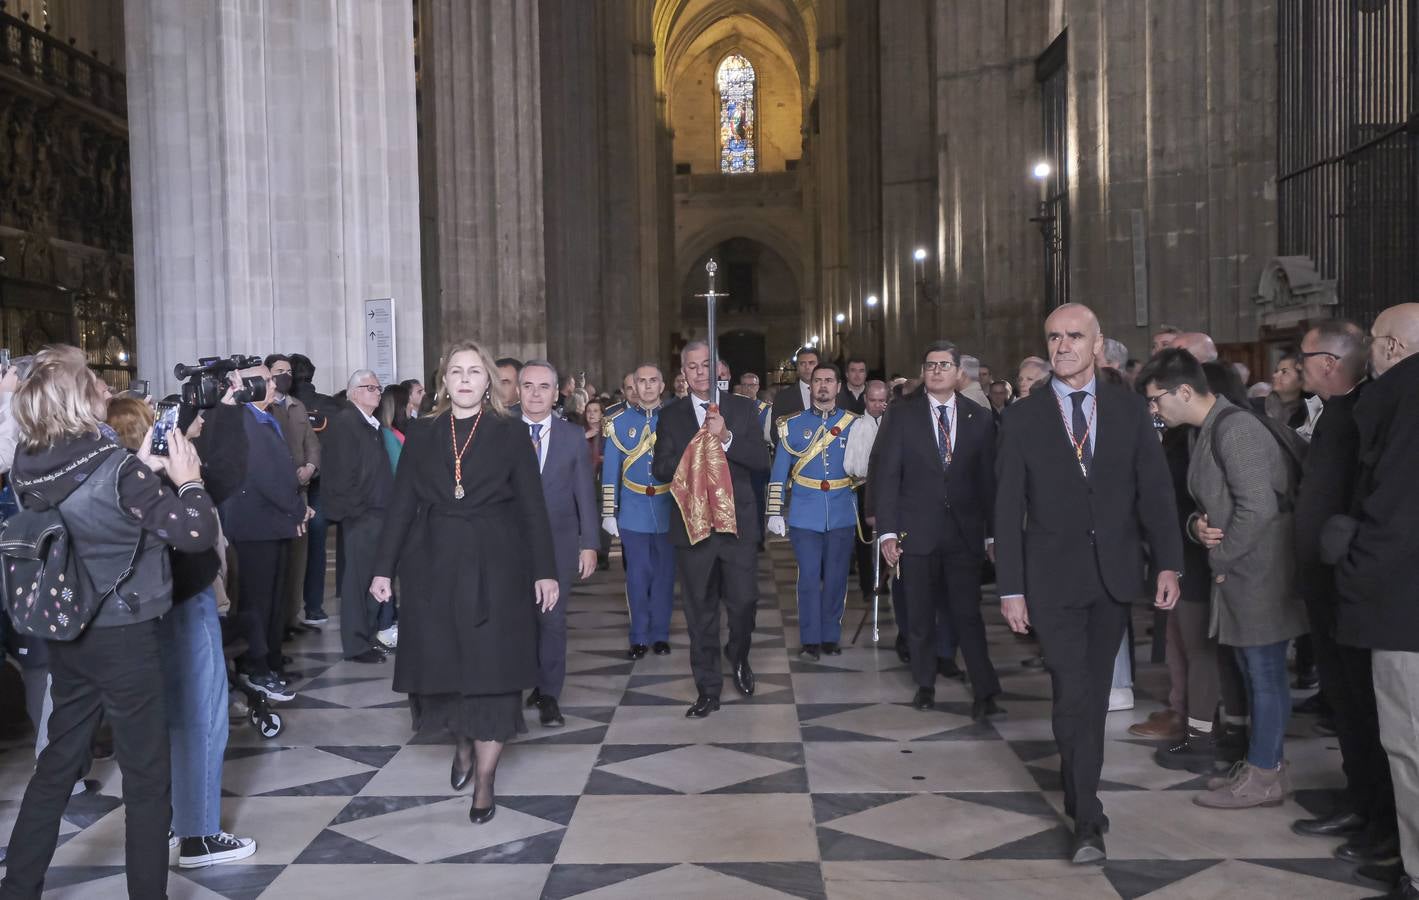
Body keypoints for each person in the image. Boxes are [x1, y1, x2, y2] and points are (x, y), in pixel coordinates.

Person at [2, 346, 220, 899]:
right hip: (125, 633)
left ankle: (20, 886)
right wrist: (187, 482)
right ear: (77, 399)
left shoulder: (28, 464)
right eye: (93, 381)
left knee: (56, 764)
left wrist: (140, 471)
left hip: (69, 627)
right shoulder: (114, 467)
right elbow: (192, 533)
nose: (105, 387)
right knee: (147, 780)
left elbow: (86, 508)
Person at [994, 304, 1182, 864]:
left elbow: (1156, 493)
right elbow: (1006, 509)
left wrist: (1168, 562)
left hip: (1113, 576)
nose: (1063, 346)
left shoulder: (1128, 411)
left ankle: (1084, 803)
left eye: (1075, 336)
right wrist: (1010, 588)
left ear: (1098, 345)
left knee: (1091, 695)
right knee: (1071, 690)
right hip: (1050, 579)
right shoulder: (1024, 418)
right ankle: (1085, 814)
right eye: (1054, 337)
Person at [369, 340, 558, 825]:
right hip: (433, 564)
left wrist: (544, 570)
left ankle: (485, 783)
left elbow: (532, 507)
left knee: (494, 674)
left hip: (498, 567)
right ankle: (461, 741)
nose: (466, 379)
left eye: (475, 371)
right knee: (449, 668)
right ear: (444, 380)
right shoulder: (424, 431)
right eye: (457, 371)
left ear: (488, 380)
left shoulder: (510, 431)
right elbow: (401, 505)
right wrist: (382, 568)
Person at [1140, 348, 1306, 809]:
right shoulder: (1209, 428)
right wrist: (1196, 526)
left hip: (1259, 574)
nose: (1154, 410)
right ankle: (1260, 764)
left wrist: (1221, 559)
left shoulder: (1236, 429)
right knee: (1255, 674)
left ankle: (1266, 774)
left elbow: (1258, 508)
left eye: (1157, 400)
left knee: (1266, 676)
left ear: (1185, 391)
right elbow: (1212, 504)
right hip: (1243, 571)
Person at [1288, 321, 1398, 864]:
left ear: (1329, 362)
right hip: (1322, 582)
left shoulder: (1366, 412)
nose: (1299, 365)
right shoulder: (1335, 412)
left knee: (1363, 706)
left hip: (1347, 584)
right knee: (1345, 702)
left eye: (1303, 357)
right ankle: (1361, 802)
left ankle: (1382, 817)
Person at [1333, 303, 1419, 899]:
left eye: (1373, 343)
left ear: (1390, 349)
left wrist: (1352, 566)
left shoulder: (1404, 401)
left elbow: (1393, 511)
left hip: (1405, 609)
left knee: (1409, 744)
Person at [874, 341, 1001, 717]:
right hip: (917, 531)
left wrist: (993, 534)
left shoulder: (979, 417)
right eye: (930, 365)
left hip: (963, 532)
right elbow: (887, 476)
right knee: (919, 614)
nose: (936, 371)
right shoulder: (902, 415)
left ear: (958, 372)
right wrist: (888, 532)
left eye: (944, 365)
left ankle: (985, 689)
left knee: (967, 613)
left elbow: (988, 483)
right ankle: (925, 683)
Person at [651, 341, 770, 717]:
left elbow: (760, 462)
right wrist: (698, 445)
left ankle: (738, 654)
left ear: (718, 368)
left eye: (706, 365)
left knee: (744, 602)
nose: (700, 372)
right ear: (683, 373)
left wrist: (725, 438)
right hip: (694, 527)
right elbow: (660, 468)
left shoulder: (743, 408)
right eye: (692, 367)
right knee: (699, 610)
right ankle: (708, 688)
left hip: (738, 525)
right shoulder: (671, 416)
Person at [220, 363, 309, 703]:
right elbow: (264, 476)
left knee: (274, 599)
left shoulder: (265, 417)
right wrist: (296, 507)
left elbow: (281, 469)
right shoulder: (244, 420)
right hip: (254, 525)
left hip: (273, 522)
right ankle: (256, 666)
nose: (274, 384)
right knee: (258, 602)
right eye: (268, 380)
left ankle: (271, 659)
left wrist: (295, 507)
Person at [518, 360, 598, 728]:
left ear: (556, 393)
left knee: (552, 619)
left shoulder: (571, 436)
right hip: (511, 544)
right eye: (528, 386)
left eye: (543, 387)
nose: (535, 394)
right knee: (518, 619)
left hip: (559, 542)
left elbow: (585, 492)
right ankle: (518, 683)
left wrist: (590, 544)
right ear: (518, 390)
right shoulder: (502, 433)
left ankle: (549, 694)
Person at [767, 364, 859, 658]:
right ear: (811, 386)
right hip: (805, 513)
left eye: (829, 381)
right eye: (818, 381)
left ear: (838, 387)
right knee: (807, 577)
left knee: (836, 577)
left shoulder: (854, 424)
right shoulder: (790, 424)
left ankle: (830, 635)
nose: (823, 386)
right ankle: (810, 638)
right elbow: (779, 471)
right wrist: (774, 511)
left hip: (842, 510)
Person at [602, 365, 675, 659]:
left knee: (665, 576)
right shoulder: (618, 422)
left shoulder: (676, 419)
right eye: (641, 381)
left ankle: (661, 634)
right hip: (633, 509)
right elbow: (610, 471)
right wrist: (609, 512)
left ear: (662, 385)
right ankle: (639, 636)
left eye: (652, 381)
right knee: (637, 576)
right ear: (633, 385)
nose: (646, 386)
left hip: (668, 506)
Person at [323, 369, 394, 663]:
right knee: (358, 580)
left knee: (373, 578)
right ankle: (355, 643)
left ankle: (368, 634)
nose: (377, 393)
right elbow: (341, 473)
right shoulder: (346, 423)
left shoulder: (370, 424)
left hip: (377, 511)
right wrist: (357, 509)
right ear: (353, 393)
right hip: (362, 515)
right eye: (370, 388)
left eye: (378, 388)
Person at [265, 355, 321, 637]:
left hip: (301, 492)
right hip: (276, 494)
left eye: (288, 371)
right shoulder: (266, 408)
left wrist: (310, 467)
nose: (285, 376)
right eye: (279, 371)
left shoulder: (298, 406)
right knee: (279, 562)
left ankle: (292, 616)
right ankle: (277, 623)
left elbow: (312, 443)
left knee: (299, 559)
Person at [287, 353, 337, 628]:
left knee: (294, 551)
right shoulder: (331, 405)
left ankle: (290, 612)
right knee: (316, 549)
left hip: (295, 483)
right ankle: (314, 607)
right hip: (322, 484)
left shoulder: (288, 406)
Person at [844, 380, 890, 612]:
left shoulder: (893, 424)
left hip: (889, 487)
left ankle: (883, 580)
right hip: (863, 486)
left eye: (882, 401)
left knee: (888, 534)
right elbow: (851, 461)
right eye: (873, 400)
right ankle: (865, 585)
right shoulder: (856, 425)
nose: (877, 405)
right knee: (864, 538)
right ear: (865, 400)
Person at [771, 346, 819, 421]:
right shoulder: (782, 398)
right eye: (802, 363)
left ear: (819, 366)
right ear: (797, 367)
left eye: (811, 363)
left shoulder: (835, 393)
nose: (807, 367)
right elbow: (776, 430)